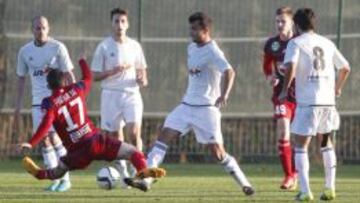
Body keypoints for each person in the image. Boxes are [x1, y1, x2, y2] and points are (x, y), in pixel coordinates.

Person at [143, 12, 254, 196]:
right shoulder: (191, 48)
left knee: (218, 153)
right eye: (190, 28)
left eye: (195, 29)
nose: (191, 32)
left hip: (206, 109)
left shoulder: (213, 51)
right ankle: (147, 179)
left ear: (206, 30)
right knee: (163, 136)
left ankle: (244, 183)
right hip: (186, 106)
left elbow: (230, 72)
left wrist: (224, 94)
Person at [18, 57, 165, 191]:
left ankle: (38, 173)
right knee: (133, 152)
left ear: (49, 86)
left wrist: (31, 143)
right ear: (65, 81)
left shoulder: (48, 103)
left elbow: (45, 125)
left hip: (77, 151)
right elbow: (88, 77)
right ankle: (143, 174)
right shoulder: (76, 89)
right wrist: (82, 61)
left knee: (58, 172)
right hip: (95, 141)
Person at [279, 8, 350, 201]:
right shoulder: (326, 42)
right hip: (327, 103)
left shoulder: (295, 43)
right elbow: (345, 67)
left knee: (301, 146)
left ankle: (305, 192)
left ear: (296, 24)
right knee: (326, 144)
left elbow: (291, 66)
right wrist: (336, 88)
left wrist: (285, 90)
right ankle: (329, 189)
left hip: (308, 104)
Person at [15, 16, 74, 192]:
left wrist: (74, 97)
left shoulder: (58, 47)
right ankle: (56, 179)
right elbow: (20, 78)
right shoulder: (25, 51)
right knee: (45, 141)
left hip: (57, 100)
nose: (40, 31)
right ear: (31, 30)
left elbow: (69, 74)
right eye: (37, 28)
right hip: (37, 102)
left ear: (49, 29)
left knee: (56, 138)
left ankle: (66, 179)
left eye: (43, 28)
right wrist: (17, 104)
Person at [91, 8, 148, 179]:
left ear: (127, 24)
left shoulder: (135, 46)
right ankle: (123, 171)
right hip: (110, 95)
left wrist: (142, 80)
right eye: (116, 21)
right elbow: (94, 75)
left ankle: (139, 168)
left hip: (131, 94)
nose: (120, 25)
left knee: (134, 132)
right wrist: (112, 71)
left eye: (123, 21)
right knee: (116, 136)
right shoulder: (104, 46)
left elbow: (142, 71)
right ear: (111, 24)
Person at [262, 6, 297, 190]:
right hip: (281, 95)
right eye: (277, 21)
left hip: (302, 94)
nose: (279, 25)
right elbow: (267, 65)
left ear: (292, 22)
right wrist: (270, 77)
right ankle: (289, 176)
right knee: (284, 132)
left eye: (283, 21)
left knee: (300, 136)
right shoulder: (272, 44)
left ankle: (297, 170)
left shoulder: (300, 41)